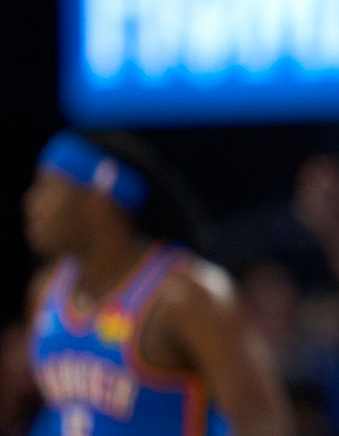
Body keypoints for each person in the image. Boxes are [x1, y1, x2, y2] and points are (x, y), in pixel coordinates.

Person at [21, 129, 294, 435]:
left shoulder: (187, 294)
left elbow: (262, 422)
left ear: (98, 200)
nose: (32, 203)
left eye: (47, 187)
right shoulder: (46, 291)